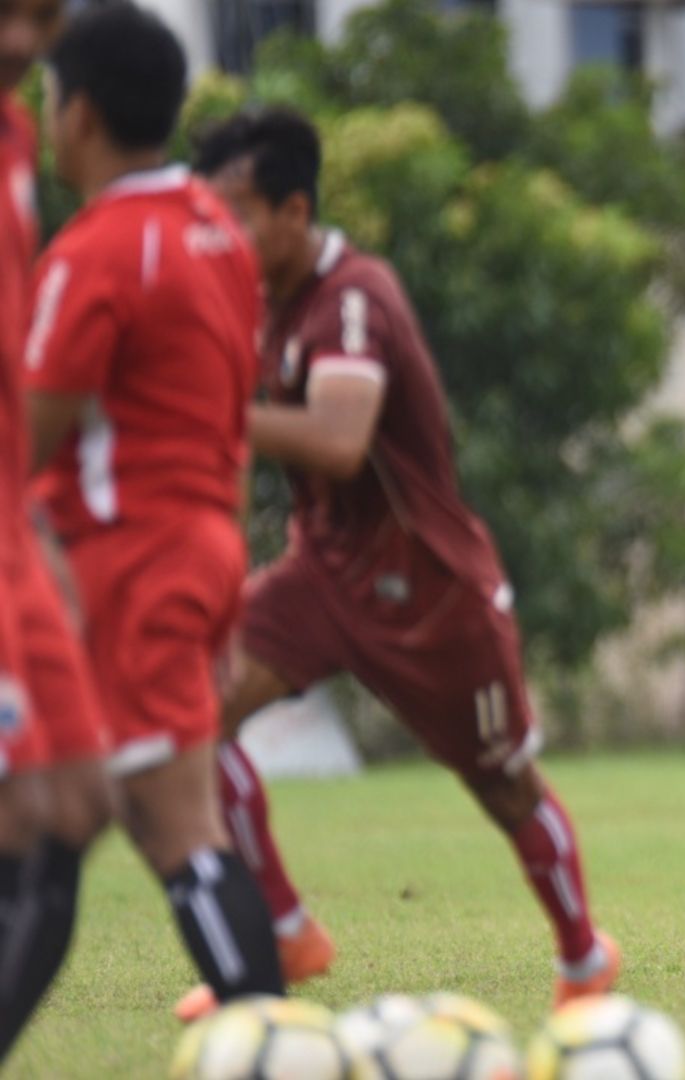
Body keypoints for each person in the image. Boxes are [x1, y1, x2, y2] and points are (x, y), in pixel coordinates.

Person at [176, 106, 618, 1019]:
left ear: (294, 210)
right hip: (320, 573)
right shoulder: (252, 299)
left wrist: (201, 411)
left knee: (503, 786)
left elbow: (340, 442)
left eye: (235, 211)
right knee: (189, 716)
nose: (218, 231)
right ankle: (285, 932)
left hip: (428, 587)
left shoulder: (353, 295)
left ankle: (583, 960)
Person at [17, 0, 287, 1032]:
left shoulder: (94, 254)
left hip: (116, 564)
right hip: (201, 544)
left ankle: (271, 1040)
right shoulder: (216, 228)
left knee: (153, 831)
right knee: (74, 828)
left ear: (77, 114)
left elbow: (23, 443)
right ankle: (272, 1036)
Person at [0, 0, 119, 1059]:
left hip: (14, 532)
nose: (26, 40)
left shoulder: (21, 137)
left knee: (80, 802)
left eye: (42, 16)